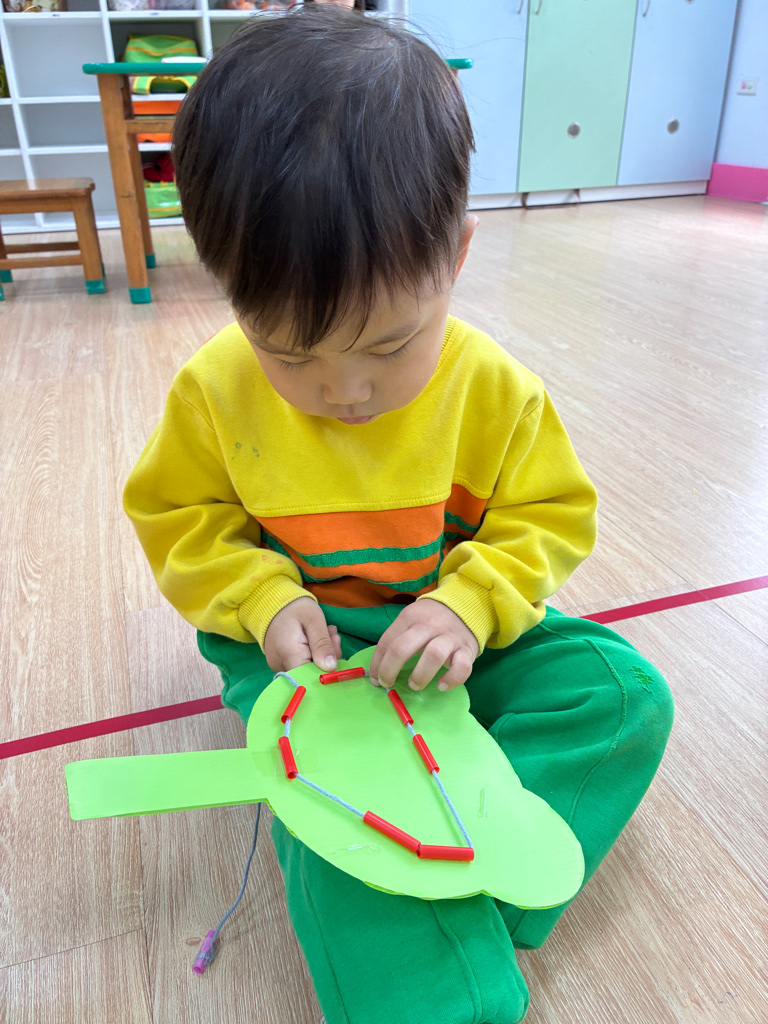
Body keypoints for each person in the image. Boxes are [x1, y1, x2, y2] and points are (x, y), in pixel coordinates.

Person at [123, 9, 674, 1023]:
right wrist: (260, 597)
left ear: (455, 257)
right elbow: (180, 519)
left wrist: (470, 604)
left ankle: (470, 880)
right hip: (307, 655)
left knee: (622, 695)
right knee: (336, 801)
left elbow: (546, 518)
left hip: (441, 634)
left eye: (388, 345)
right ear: (227, 288)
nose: (346, 392)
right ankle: (423, 942)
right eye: (291, 352)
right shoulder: (212, 393)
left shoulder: (495, 390)